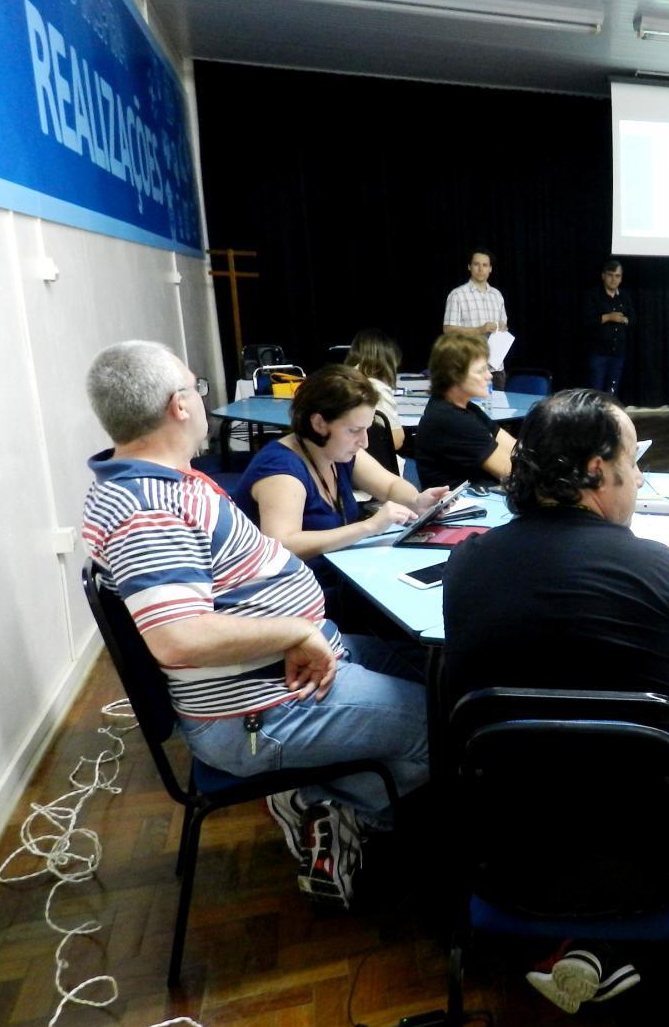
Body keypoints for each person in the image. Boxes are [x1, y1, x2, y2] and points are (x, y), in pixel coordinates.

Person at [82, 342, 429, 905]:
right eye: (196, 385)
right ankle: (327, 805)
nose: (201, 395)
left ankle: (337, 797)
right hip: (258, 704)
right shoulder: (145, 506)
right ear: (179, 406)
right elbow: (179, 638)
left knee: (434, 673)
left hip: (287, 668)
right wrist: (295, 632)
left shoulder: (164, 481)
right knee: (441, 722)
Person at [441, 388, 669, 1014]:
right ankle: (612, 938)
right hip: (643, 855)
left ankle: (575, 941)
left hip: (507, 843)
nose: (638, 480)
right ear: (598, 469)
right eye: (635, 463)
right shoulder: (655, 566)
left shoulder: (467, 563)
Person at [231, 365, 448, 583]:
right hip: (293, 593)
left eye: (367, 429)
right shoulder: (281, 471)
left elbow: (390, 485)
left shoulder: (334, 450)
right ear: (319, 424)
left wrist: (416, 501)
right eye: (354, 430)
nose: (364, 441)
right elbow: (283, 544)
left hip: (332, 577)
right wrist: (368, 527)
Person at [414, 332, 518, 488]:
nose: (489, 376)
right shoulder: (451, 420)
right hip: (460, 509)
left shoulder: (466, 408)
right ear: (454, 375)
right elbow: (512, 471)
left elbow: (515, 449)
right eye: (481, 370)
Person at [344, 328, 405, 468]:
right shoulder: (377, 389)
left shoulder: (343, 381)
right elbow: (395, 441)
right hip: (375, 467)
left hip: (345, 464)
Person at [584, 258, 633, 395]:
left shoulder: (625, 296)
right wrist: (609, 317)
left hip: (618, 352)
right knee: (596, 389)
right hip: (598, 352)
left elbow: (633, 319)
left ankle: (609, 415)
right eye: (610, 275)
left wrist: (624, 319)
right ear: (603, 276)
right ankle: (595, 416)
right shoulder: (594, 295)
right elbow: (587, 320)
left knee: (612, 389)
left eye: (617, 276)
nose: (614, 279)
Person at [443, 247, 508, 337]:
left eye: (485, 265)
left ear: (490, 269)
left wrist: (502, 327)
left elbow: (504, 325)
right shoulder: (457, 295)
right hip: (468, 350)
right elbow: (448, 330)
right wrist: (480, 330)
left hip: (494, 351)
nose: (480, 269)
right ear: (469, 267)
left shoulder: (497, 295)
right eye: (476, 264)